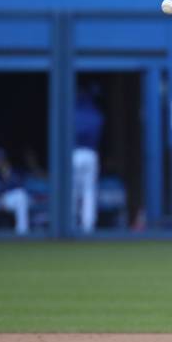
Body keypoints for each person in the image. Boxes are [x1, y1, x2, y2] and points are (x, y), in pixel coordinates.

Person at [73, 87, 104, 233]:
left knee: (72, 190)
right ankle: (88, 225)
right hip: (91, 154)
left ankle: (70, 223)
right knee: (88, 191)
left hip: (75, 153)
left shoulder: (73, 113)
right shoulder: (96, 114)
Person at [0, 149, 30, 234]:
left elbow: (19, 187)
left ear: (6, 161)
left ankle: (22, 232)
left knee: (21, 195)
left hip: (5, 200)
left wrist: (7, 178)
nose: (0, 163)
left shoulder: (11, 172)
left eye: (2, 160)